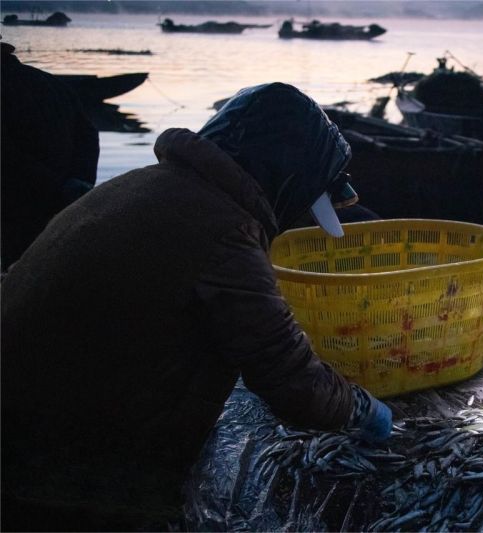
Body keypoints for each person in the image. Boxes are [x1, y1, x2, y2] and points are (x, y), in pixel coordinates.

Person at [1, 83, 392, 531]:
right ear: (285, 177)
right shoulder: (224, 233)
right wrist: (366, 410)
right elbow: (294, 384)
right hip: (53, 468)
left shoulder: (142, 185)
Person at [1, 41, 99, 270]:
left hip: (17, 215)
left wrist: (55, 188)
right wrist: (76, 186)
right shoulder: (52, 84)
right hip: (62, 211)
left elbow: (7, 157)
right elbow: (88, 136)